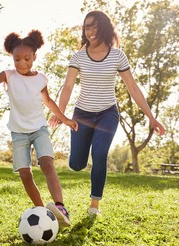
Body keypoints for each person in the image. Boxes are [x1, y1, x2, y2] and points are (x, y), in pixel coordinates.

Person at [49, 11, 165, 216]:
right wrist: (60, 113)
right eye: (87, 27)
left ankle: (95, 205)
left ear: (103, 27)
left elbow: (133, 88)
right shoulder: (78, 57)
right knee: (76, 164)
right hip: (82, 115)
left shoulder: (117, 55)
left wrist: (151, 117)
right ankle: (78, 157)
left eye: (94, 26)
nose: (90, 31)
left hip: (107, 114)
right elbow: (67, 87)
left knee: (100, 153)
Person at [0, 30, 78, 227]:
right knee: (25, 174)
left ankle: (60, 207)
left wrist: (64, 119)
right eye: (17, 59)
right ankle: (42, 212)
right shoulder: (8, 75)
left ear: (34, 57)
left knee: (47, 164)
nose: (22, 63)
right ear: (12, 58)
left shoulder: (41, 79)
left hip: (39, 129)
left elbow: (48, 101)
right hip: (18, 132)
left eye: (26, 58)